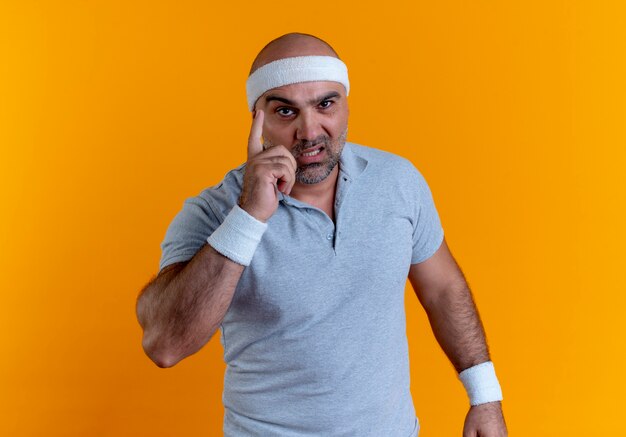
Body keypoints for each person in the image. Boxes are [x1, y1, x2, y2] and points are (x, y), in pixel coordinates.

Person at [136, 33, 508, 437]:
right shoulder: (213, 212)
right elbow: (165, 344)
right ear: (256, 118)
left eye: (325, 104)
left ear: (346, 104)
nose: (309, 131)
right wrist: (249, 215)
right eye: (285, 111)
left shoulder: (398, 182)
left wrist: (484, 396)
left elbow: (442, 289)